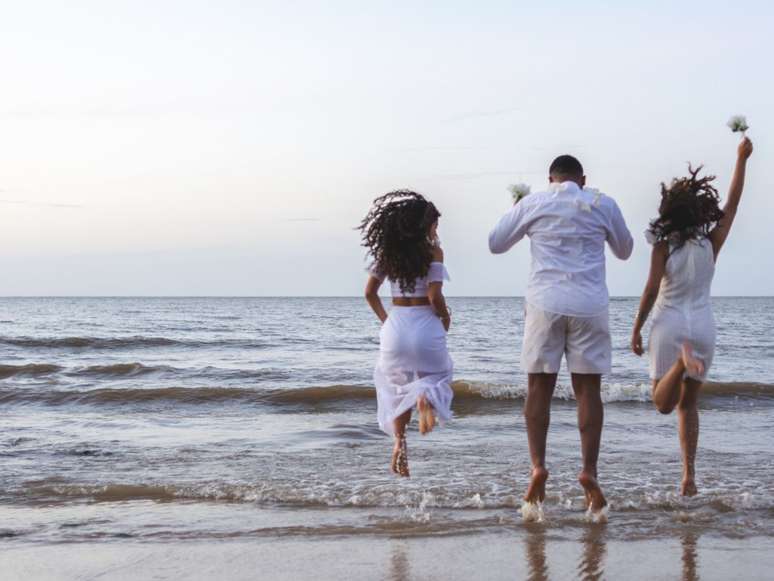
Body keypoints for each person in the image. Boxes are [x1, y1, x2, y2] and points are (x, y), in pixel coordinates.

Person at [489, 155, 633, 513]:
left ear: (549, 178)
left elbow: (496, 243)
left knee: (538, 387)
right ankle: (588, 472)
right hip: (589, 305)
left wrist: (517, 211)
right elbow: (625, 251)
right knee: (588, 391)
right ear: (582, 179)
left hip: (545, 304)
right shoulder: (602, 203)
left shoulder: (534, 202)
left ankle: (538, 466)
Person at [631, 137, 754, 496]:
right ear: (700, 210)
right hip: (703, 326)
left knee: (662, 403)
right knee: (688, 405)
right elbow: (733, 203)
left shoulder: (664, 244)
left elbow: (652, 288)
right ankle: (688, 476)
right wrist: (741, 159)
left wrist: (637, 327)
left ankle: (678, 366)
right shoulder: (711, 242)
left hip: (669, 325)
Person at [359, 190, 453, 477]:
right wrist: (445, 317)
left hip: (396, 328)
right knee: (438, 376)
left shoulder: (387, 254)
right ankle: (425, 398)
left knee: (396, 388)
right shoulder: (433, 253)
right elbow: (435, 295)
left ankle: (400, 442)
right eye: (435, 224)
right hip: (425, 323)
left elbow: (370, 293)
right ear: (425, 225)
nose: (437, 230)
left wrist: (387, 320)